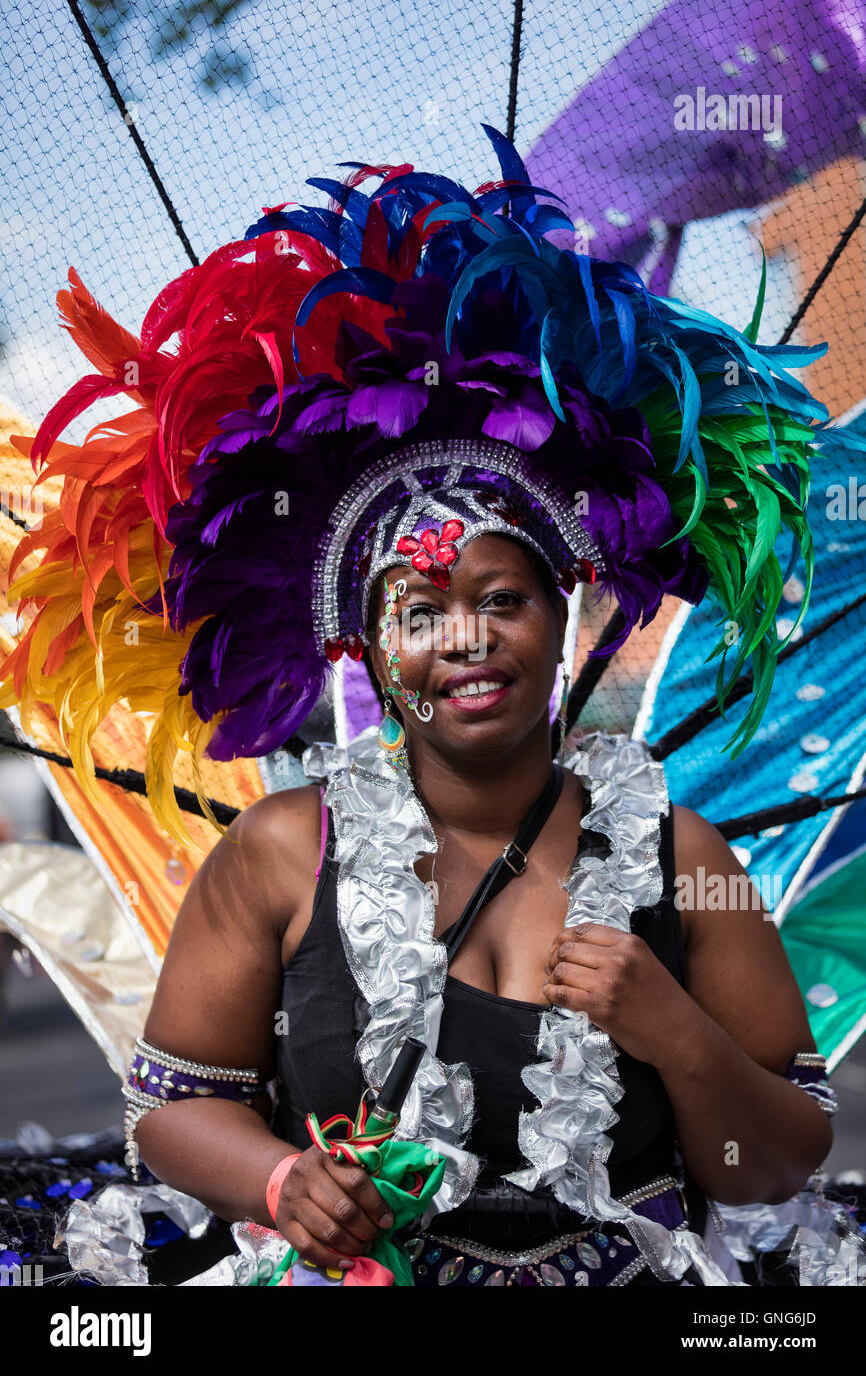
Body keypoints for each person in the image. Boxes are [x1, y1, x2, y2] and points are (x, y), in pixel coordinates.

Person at [2, 125, 857, 1286]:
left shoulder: (678, 857)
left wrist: (669, 1027)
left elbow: (769, 1166)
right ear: (362, 643)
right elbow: (170, 1108)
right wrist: (279, 1181)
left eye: (500, 597)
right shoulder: (274, 854)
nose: (466, 639)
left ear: (562, 611)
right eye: (419, 611)